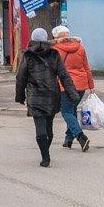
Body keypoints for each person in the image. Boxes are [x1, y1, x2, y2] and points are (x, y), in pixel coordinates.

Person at [15, 27, 80, 167]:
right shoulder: (54, 54)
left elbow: (21, 77)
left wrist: (20, 96)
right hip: (52, 94)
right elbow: (64, 75)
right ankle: (46, 152)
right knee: (49, 128)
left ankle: (45, 156)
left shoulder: (28, 56)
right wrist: (72, 93)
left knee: (40, 127)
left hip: (35, 96)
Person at [52, 24, 94, 151]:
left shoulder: (55, 49)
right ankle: (68, 139)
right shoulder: (80, 47)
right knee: (72, 109)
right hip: (81, 85)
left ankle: (81, 136)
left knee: (66, 112)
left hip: (65, 85)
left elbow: (53, 70)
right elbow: (87, 67)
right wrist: (91, 86)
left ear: (57, 37)